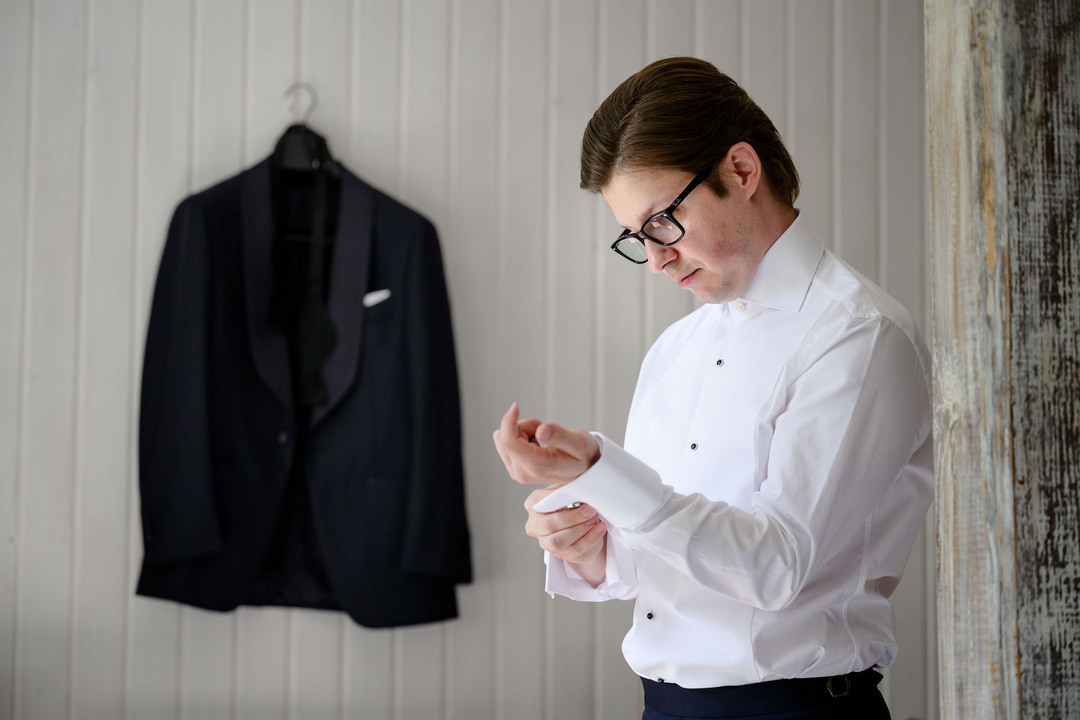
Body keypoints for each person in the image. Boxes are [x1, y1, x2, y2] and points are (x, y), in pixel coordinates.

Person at [492, 57, 932, 720]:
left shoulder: (859, 336)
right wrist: (588, 546)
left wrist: (601, 470)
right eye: (636, 237)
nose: (656, 257)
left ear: (741, 171)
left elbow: (775, 569)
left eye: (663, 220)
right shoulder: (675, 350)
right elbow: (662, 556)